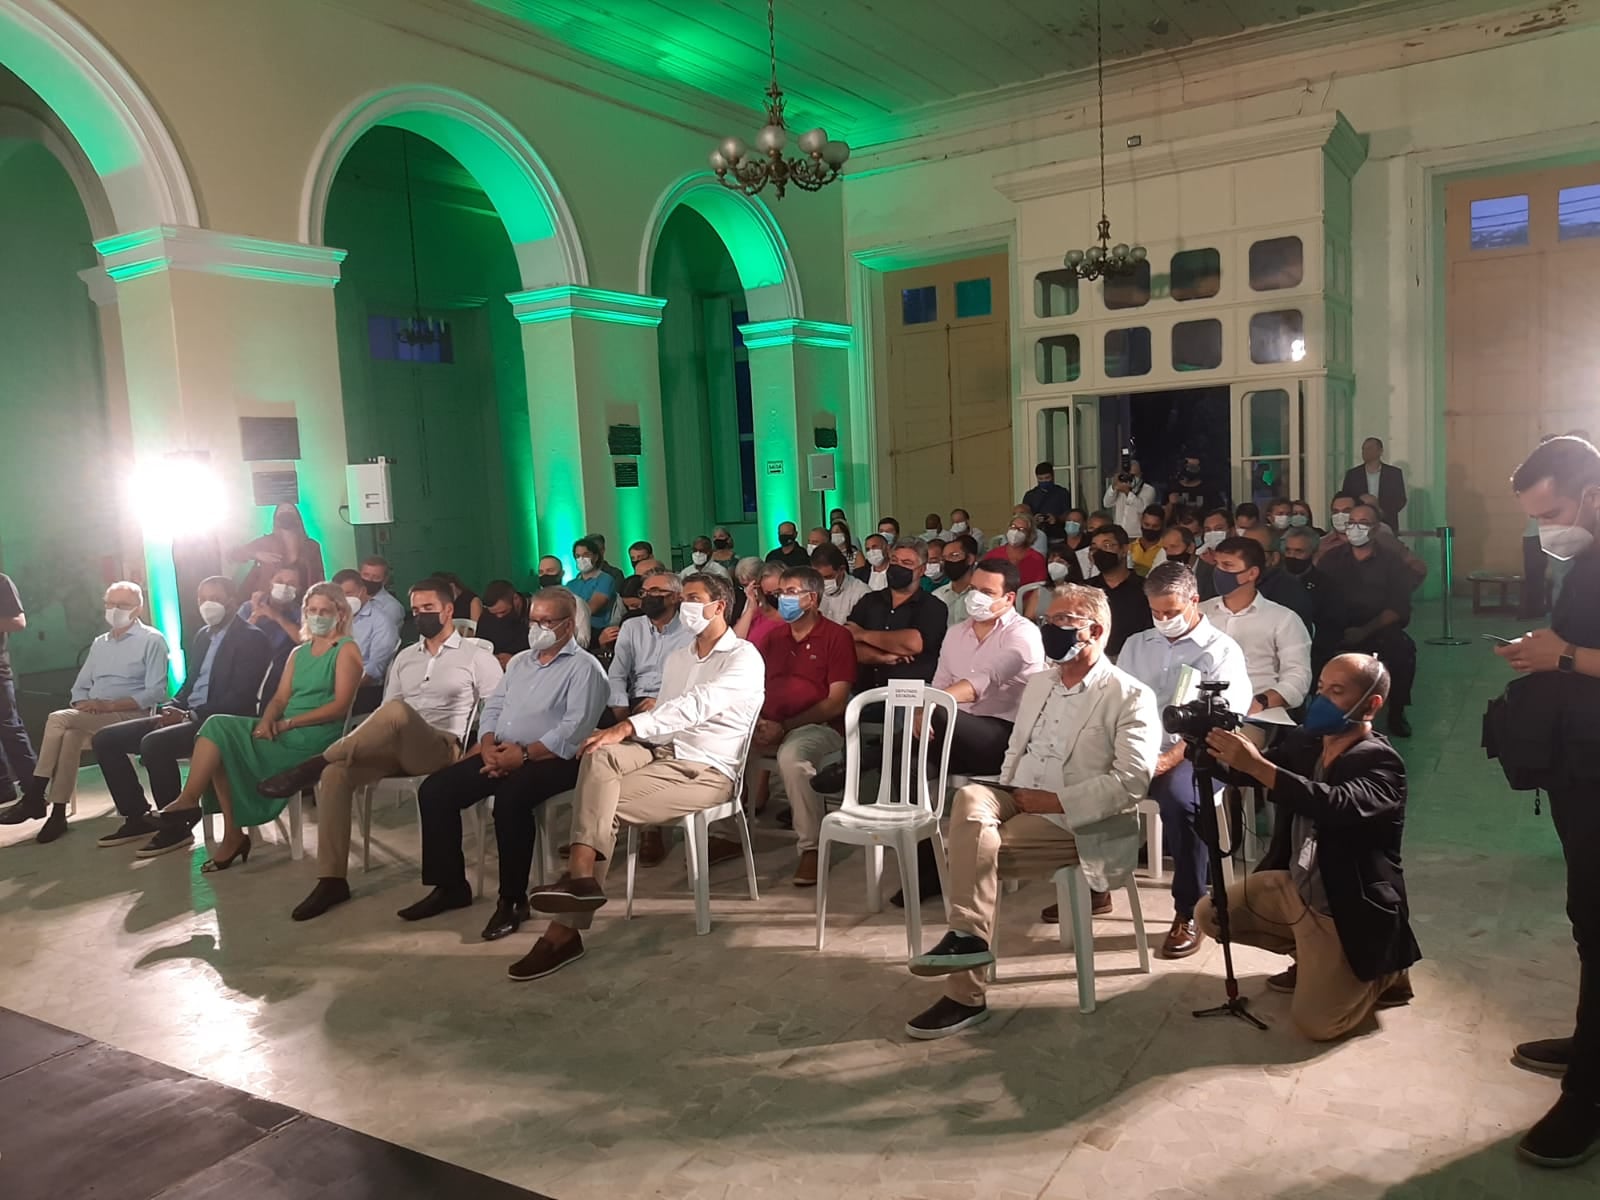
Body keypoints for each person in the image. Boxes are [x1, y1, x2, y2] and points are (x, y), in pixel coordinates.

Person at [903, 584, 1161, 1039]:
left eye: (1063, 622)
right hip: (1019, 794)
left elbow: (1131, 783)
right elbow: (1016, 750)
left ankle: (965, 995)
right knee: (968, 800)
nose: (1051, 629)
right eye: (1048, 620)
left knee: (976, 848)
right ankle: (968, 938)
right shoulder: (1042, 682)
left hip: (1076, 818)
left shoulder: (1129, 695)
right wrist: (1010, 790)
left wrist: (1056, 802)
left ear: (1095, 631)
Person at [517, 573, 764, 980]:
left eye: (693, 598)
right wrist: (636, 726)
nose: (685, 606)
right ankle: (581, 881)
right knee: (598, 755)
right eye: (683, 598)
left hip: (707, 769)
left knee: (600, 804)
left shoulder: (743, 657)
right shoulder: (679, 657)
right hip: (663, 751)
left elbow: (697, 705)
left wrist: (629, 725)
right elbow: (667, 717)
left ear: (719, 606)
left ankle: (564, 929)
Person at [1199, 654, 1420, 1040]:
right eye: (1320, 688)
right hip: (1297, 887)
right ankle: (1311, 959)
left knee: (1317, 1024)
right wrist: (1209, 746)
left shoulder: (1382, 764)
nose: (1321, 700)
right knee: (1211, 914)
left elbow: (1333, 803)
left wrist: (1256, 766)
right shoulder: (1307, 742)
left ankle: (1384, 974)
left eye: (1336, 692)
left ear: (1371, 704)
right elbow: (1255, 772)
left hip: (1345, 908)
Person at [262, 578, 505, 921]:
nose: (420, 615)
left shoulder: (476, 657)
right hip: (396, 746)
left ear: (448, 610)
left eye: (429, 608)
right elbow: (385, 716)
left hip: (440, 746)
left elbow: (498, 711)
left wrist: (474, 753)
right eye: (416, 610)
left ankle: (311, 765)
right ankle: (332, 880)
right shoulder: (405, 658)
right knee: (336, 773)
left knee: (395, 712)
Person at [1496, 435, 1600, 1166]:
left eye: (1553, 513)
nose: (1545, 529)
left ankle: (1588, 1096)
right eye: (1535, 517)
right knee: (1588, 917)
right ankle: (1591, 1041)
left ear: (1591, 493)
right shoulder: (1586, 558)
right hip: (1579, 761)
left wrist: (1560, 655)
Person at [395, 587, 608, 936]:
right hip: (502, 749)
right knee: (436, 790)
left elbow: (574, 729)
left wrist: (522, 755)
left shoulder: (585, 668)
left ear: (568, 626)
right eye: (533, 621)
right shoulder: (521, 662)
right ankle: (450, 887)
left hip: (555, 759)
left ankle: (512, 900)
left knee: (511, 800)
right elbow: (494, 705)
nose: (537, 628)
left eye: (547, 622)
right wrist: (488, 745)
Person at [134, 582, 362, 866]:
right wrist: (267, 720)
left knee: (221, 738)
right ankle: (205, 812)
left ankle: (205, 813)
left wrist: (289, 723)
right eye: (312, 610)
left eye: (324, 611)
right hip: (283, 726)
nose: (317, 616)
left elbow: (340, 706)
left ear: (340, 613)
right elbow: (280, 698)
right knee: (218, 730)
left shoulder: (346, 650)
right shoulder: (299, 653)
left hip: (315, 736)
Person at [1116, 563, 1251, 959]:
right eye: (1156, 612)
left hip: (1199, 750)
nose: (1163, 619)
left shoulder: (1221, 650)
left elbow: (1221, 722)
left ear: (1194, 600)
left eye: (1171, 612)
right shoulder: (1137, 645)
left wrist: (1170, 757)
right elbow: (1117, 703)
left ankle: (1189, 909)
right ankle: (1095, 884)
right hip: (1140, 748)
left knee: (1180, 799)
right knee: (1079, 777)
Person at [91, 578, 273, 848]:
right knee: (105, 739)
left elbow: (240, 697)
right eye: (202, 599)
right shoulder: (202, 636)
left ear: (233, 602)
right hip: (187, 714)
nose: (207, 605)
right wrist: (173, 706)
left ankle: (176, 826)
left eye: (215, 598)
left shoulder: (251, 638)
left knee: (154, 743)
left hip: (220, 721)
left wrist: (189, 716)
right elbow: (190, 683)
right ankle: (136, 816)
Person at [0, 582, 170, 844]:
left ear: (138, 608)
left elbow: (156, 692)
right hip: (95, 715)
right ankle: (57, 813)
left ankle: (35, 795)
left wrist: (110, 706)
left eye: (123, 605)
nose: (115, 610)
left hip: (132, 717)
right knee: (69, 736)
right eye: (110, 604)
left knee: (58, 718)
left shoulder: (152, 640)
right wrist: (84, 703)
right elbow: (79, 687)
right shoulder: (100, 643)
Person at [754, 567, 857, 887]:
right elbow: (754, 686)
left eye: (790, 592)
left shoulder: (836, 637)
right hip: (768, 722)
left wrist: (785, 726)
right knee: (723, 744)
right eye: (779, 593)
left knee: (793, 758)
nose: (781, 599)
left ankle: (811, 847)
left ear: (811, 598)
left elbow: (836, 701)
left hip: (817, 726)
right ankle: (725, 834)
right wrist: (760, 721)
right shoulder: (773, 638)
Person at [606, 569, 695, 868]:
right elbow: (617, 673)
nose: (648, 597)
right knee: (595, 747)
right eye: (645, 592)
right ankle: (595, 827)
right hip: (634, 700)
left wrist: (662, 703)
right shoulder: (632, 627)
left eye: (657, 592)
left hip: (671, 702)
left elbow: (693, 680)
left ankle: (650, 828)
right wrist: (620, 708)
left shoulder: (690, 630)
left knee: (648, 742)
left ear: (676, 597)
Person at [1314, 503, 1417, 738]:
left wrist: (1365, 630)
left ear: (1376, 528)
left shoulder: (1392, 562)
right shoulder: (1331, 559)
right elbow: (1319, 596)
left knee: (1403, 651)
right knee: (1317, 650)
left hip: (1378, 626)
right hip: (1337, 625)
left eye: (1363, 523)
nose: (1355, 528)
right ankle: (1323, 709)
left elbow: (1398, 607)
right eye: (1351, 523)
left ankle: (1397, 711)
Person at [1200, 538, 1312, 723]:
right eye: (1217, 564)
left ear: (1252, 573)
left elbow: (1298, 676)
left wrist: (1261, 701)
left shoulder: (1284, 619)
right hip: (1201, 709)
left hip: (1257, 714)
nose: (1219, 572)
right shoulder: (1199, 613)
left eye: (1227, 565)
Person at [845, 539, 948, 691]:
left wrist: (862, 635)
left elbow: (913, 643)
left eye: (906, 563)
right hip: (864, 693)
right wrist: (881, 657)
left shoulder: (933, 607)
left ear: (921, 570)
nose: (898, 567)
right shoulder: (869, 601)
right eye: (894, 561)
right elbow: (848, 645)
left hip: (909, 695)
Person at [334, 568, 401, 711]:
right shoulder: (335, 619)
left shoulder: (381, 622)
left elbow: (374, 670)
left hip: (364, 690)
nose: (343, 600)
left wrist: (341, 691)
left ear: (363, 591)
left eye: (348, 593)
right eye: (339, 596)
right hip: (331, 684)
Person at [231, 502, 325, 598]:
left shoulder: (312, 546)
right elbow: (235, 554)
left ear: (298, 517)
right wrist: (256, 554)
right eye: (282, 511)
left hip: (302, 598)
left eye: (290, 510)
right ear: (275, 518)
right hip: (268, 597)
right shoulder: (266, 542)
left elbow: (319, 576)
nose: (286, 513)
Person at [0, 571, 37, 812]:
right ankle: (3, 789)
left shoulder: (1, 582)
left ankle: (35, 792)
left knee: (10, 729)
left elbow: (18, 622)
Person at [240, 565, 305, 698]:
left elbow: (303, 640)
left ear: (298, 589)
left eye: (291, 584)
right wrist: (254, 615)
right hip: (246, 665)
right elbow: (234, 641)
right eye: (279, 581)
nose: (284, 587)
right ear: (271, 583)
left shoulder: (300, 612)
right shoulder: (248, 606)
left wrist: (277, 616)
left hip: (278, 671)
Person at [1088, 525, 1151, 657]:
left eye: (1107, 545)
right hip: (1095, 658)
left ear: (1124, 549)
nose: (1100, 553)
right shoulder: (1086, 590)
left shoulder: (1146, 589)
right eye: (1094, 548)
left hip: (1136, 658)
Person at [1239, 527, 1316, 631]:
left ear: (1274, 558)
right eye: (1241, 551)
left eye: (1254, 552)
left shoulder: (1290, 593)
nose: (1245, 557)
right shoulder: (1232, 584)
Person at [1342, 436, 1407, 523]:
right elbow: (1346, 498)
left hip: (1387, 521)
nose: (1365, 452)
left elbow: (1400, 499)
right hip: (1359, 521)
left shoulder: (1394, 473)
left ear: (1380, 451)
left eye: (1369, 448)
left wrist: (1381, 512)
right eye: (1363, 449)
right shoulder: (1352, 474)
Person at [568, 537, 617, 641]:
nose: (581, 559)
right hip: (573, 630)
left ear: (595, 557)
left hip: (596, 630)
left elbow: (592, 608)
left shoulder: (605, 579)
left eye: (586, 555)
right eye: (578, 556)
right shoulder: (571, 584)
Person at [734, 560, 786, 655]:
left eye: (778, 592)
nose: (775, 597)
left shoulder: (795, 615)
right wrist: (750, 608)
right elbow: (736, 641)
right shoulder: (757, 613)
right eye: (768, 593)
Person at [982, 513, 1047, 585]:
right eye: (1013, 527)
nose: (1016, 532)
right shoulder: (993, 555)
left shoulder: (1037, 559)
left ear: (1029, 534)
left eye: (1021, 529)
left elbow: (1039, 587)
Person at [477, 580, 531, 665]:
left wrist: (515, 660)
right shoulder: (487, 616)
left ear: (516, 599)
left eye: (503, 612)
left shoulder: (534, 613)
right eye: (494, 613)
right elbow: (481, 643)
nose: (499, 616)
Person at [812, 543, 868, 625]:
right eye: (818, 577)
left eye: (827, 577)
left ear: (841, 569)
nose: (822, 582)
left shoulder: (861, 593)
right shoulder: (809, 590)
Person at [933, 535, 980, 626]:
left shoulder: (982, 595)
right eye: (944, 558)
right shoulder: (937, 596)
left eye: (954, 556)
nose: (948, 561)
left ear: (970, 559)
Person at [1104, 460, 1156, 538]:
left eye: (1133, 475)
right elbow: (1107, 504)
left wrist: (1127, 492)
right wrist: (1113, 487)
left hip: (1137, 536)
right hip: (1118, 534)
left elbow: (1143, 509)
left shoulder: (1148, 489)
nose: (1130, 478)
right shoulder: (1119, 486)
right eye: (1127, 475)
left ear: (1140, 474)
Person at [1022, 461, 1072, 539]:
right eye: (1040, 479)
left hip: (1057, 535)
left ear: (1053, 476)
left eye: (1047, 478)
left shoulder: (1062, 493)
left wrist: (1056, 519)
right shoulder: (1030, 495)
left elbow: (1068, 514)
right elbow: (1023, 516)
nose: (1044, 481)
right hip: (1035, 536)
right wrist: (1033, 520)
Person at [357, 556, 405, 632]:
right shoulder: (353, 599)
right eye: (366, 575)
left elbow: (385, 635)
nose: (369, 580)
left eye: (376, 577)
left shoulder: (392, 607)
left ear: (385, 580)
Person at [1128, 506, 1167, 578]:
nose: (1150, 529)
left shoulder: (1166, 549)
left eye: (1155, 526)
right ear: (1141, 522)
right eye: (1146, 525)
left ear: (1162, 525)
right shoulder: (1130, 547)